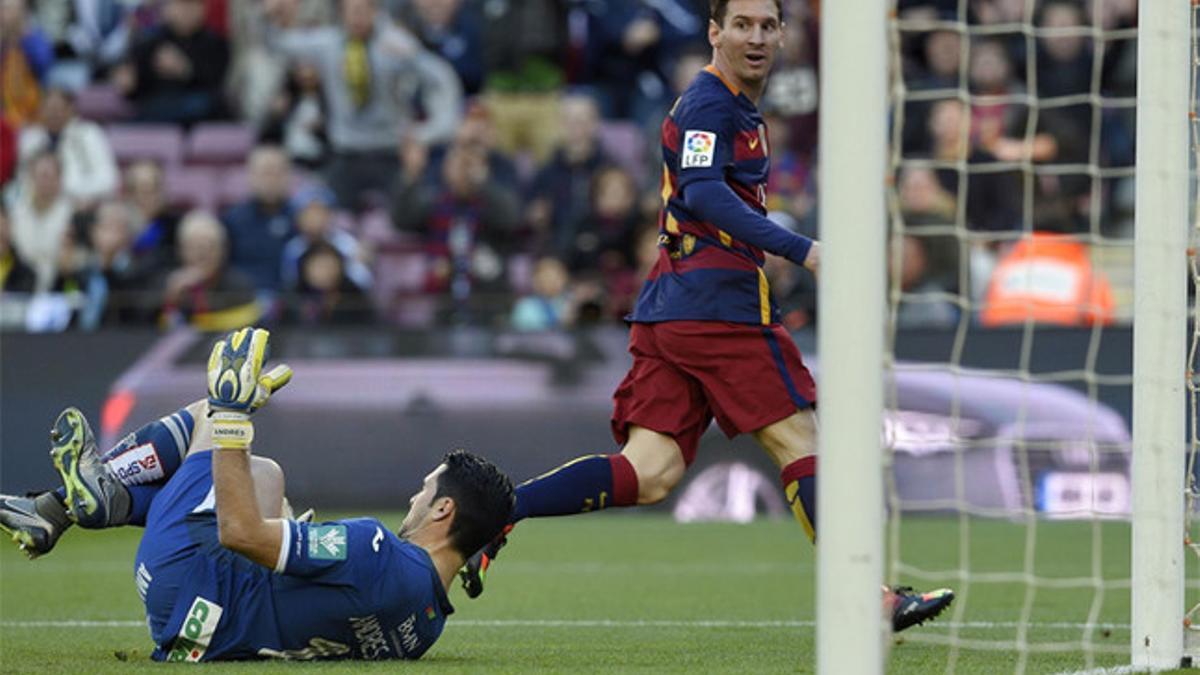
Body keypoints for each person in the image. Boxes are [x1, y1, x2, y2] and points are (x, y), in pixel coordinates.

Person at [457, 0, 954, 634]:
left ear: (781, 34)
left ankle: (502, 509)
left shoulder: (735, 106)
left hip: (673, 304)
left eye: (767, 25)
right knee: (801, 440)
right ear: (714, 33)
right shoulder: (710, 102)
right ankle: (868, 599)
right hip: (718, 305)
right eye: (741, 25)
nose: (756, 37)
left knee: (651, 470)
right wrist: (803, 250)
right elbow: (702, 189)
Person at [0, 327, 514, 661]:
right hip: (203, 635)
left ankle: (71, 503)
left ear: (444, 510)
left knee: (209, 413)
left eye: (423, 493)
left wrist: (231, 418)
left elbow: (239, 532)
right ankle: (98, 502)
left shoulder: (377, 552)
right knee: (265, 475)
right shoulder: (426, 628)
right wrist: (294, 527)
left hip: (186, 577)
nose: (412, 500)